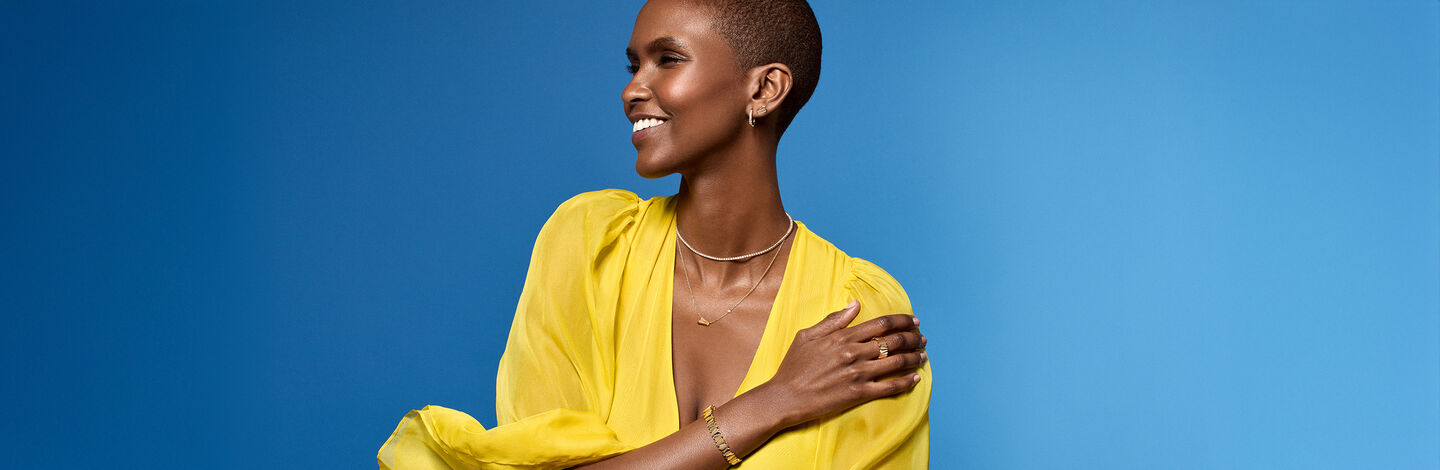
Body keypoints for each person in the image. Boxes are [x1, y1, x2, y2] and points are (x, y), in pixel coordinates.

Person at [378, 0, 930, 468]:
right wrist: (773, 403)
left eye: (668, 59)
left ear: (765, 88)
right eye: (633, 65)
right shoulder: (591, 247)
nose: (631, 91)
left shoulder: (856, 310)